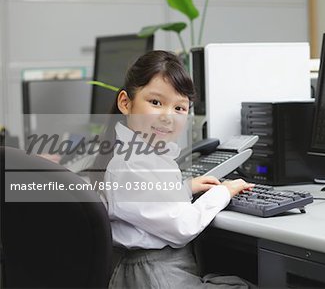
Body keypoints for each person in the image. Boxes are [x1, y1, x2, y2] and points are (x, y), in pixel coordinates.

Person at [90, 50, 255, 289]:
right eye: (156, 102)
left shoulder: (140, 154)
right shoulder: (133, 164)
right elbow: (182, 226)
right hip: (154, 277)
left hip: (153, 273)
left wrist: (185, 188)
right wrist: (223, 192)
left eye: (180, 108)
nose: (168, 117)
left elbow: (150, 203)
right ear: (126, 103)